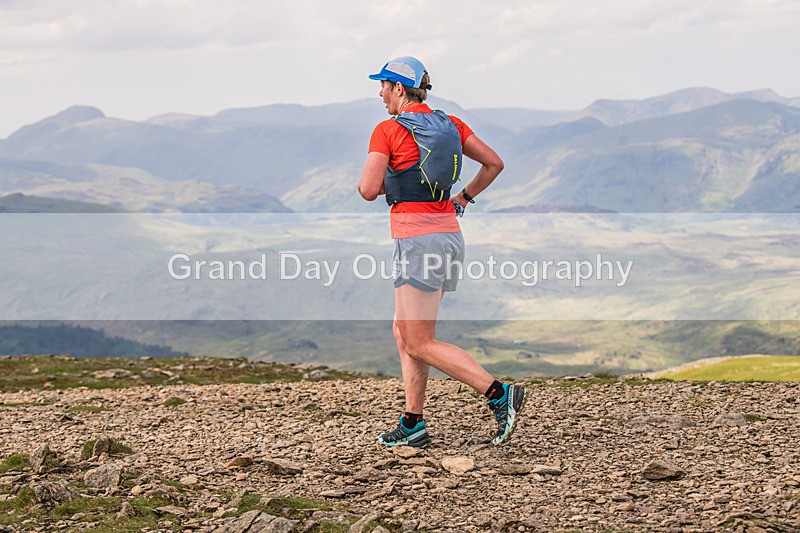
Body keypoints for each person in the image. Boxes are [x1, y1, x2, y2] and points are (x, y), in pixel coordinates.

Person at [358, 56, 527, 447]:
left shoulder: (387, 130)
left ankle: (499, 395)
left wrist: (393, 181)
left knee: (419, 340)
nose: (379, 92)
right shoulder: (452, 124)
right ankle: (413, 423)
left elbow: (368, 189)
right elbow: (494, 163)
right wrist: (463, 197)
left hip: (417, 240)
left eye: (383, 85)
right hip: (447, 234)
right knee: (404, 332)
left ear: (399, 88)